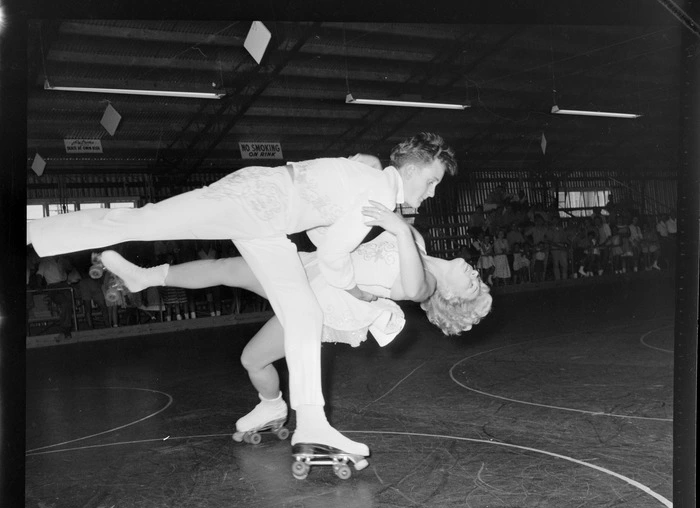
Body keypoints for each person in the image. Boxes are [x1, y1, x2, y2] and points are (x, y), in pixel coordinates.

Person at [27, 135, 458, 461]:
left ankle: (312, 422)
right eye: (433, 180)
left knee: (303, 312)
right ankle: (34, 231)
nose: (433, 191)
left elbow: (320, 232)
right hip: (255, 201)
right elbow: (331, 253)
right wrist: (353, 288)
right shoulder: (381, 192)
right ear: (415, 166)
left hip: (269, 221)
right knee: (148, 220)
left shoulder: (370, 182)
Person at [95, 206, 493, 437]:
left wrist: (393, 230)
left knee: (252, 359)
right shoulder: (418, 240)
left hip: (319, 298)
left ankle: (271, 406)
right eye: (477, 276)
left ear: (452, 296)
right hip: (315, 268)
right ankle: (145, 276)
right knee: (227, 267)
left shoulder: (422, 284)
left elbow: (385, 280)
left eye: (472, 285)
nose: (474, 273)